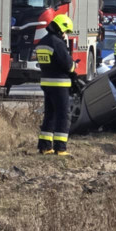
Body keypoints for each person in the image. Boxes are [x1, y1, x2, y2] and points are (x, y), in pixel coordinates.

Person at [35, 14, 75, 156]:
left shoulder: (42, 42)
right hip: (60, 84)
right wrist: (74, 66)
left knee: (50, 115)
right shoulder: (58, 43)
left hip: (46, 83)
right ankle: (60, 148)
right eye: (66, 31)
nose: (66, 35)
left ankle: (45, 147)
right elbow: (68, 65)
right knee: (63, 115)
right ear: (61, 29)